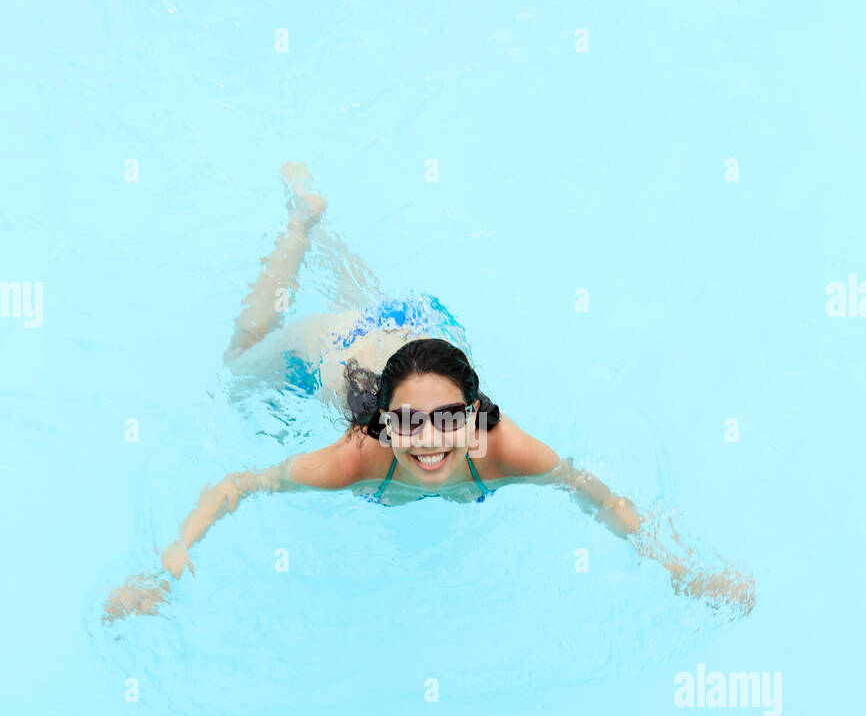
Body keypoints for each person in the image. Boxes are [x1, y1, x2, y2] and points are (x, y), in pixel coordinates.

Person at [103, 163, 755, 621]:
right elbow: (237, 486)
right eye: (408, 424)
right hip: (341, 347)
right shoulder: (355, 457)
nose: (430, 441)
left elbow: (599, 496)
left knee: (374, 315)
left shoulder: (504, 449)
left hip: (421, 334)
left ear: (474, 415)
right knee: (240, 360)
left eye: (448, 420)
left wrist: (683, 570)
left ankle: (314, 222)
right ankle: (301, 227)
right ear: (383, 425)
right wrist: (169, 562)